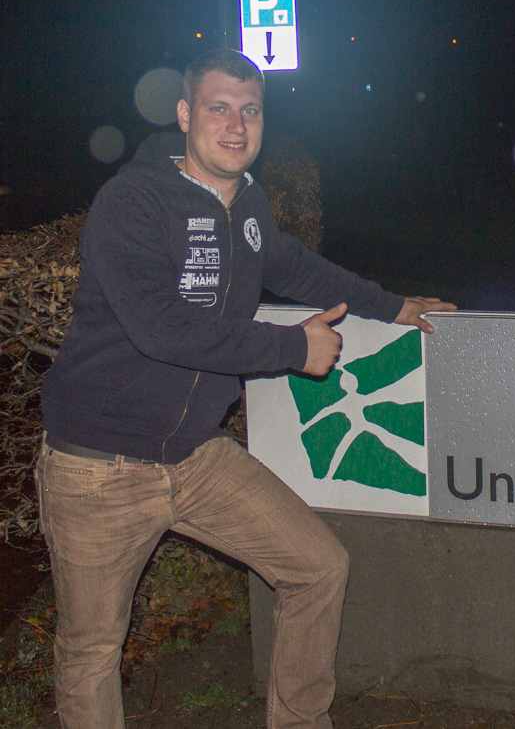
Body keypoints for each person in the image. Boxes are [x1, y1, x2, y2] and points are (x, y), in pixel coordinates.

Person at [38, 48, 456, 729]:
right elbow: (160, 328)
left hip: (193, 455)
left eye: (251, 110)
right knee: (91, 651)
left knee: (317, 567)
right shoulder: (133, 202)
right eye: (219, 108)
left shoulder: (248, 205)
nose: (236, 125)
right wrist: (293, 349)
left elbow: (295, 267)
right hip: (99, 467)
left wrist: (396, 306)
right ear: (184, 115)